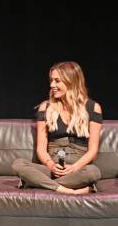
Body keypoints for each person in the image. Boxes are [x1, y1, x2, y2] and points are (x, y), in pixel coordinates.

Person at [12, 61, 102, 194]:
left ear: (71, 81)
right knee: (18, 164)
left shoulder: (93, 107)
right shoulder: (46, 107)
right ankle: (68, 190)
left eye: (57, 81)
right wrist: (51, 165)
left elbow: (92, 150)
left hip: (77, 168)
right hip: (51, 167)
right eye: (52, 80)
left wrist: (74, 167)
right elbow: (41, 149)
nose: (52, 85)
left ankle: (36, 183)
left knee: (93, 172)